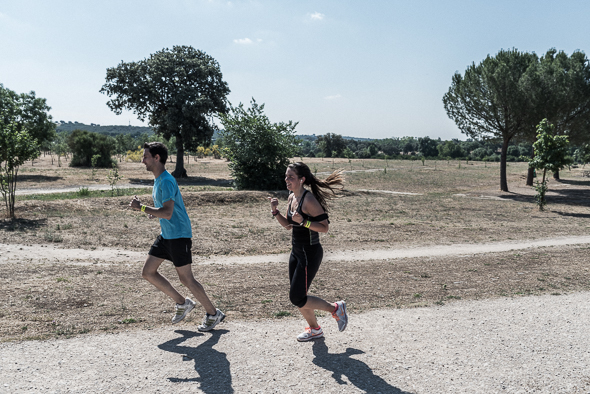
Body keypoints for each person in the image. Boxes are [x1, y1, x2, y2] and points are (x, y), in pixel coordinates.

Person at [129, 142, 224, 332]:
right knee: (148, 272)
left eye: (146, 156)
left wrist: (141, 208)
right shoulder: (158, 180)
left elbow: (167, 213)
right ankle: (182, 303)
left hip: (179, 235)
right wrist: (152, 211)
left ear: (157, 158)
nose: (143, 160)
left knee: (187, 279)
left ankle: (214, 314)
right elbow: (164, 210)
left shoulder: (166, 180)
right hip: (167, 235)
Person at [268, 162, 348, 342]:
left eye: (291, 177)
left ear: (302, 179)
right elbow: (289, 226)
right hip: (296, 252)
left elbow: (325, 227)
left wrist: (304, 222)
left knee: (297, 297)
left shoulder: (309, 200)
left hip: (309, 253)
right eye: (286, 176)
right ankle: (315, 330)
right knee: (300, 296)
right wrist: (275, 211)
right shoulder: (291, 197)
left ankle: (336, 308)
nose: (286, 180)